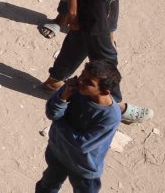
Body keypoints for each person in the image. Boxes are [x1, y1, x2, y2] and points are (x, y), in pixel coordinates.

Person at [36, 62, 124, 193]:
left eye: (89, 82)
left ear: (104, 91)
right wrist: (64, 95)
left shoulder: (110, 117)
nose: (81, 81)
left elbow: (81, 144)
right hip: (58, 153)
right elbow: (51, 113)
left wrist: (59, 122)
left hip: (84, 167)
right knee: (47, 186)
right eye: (82, 75)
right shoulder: (73, 88)